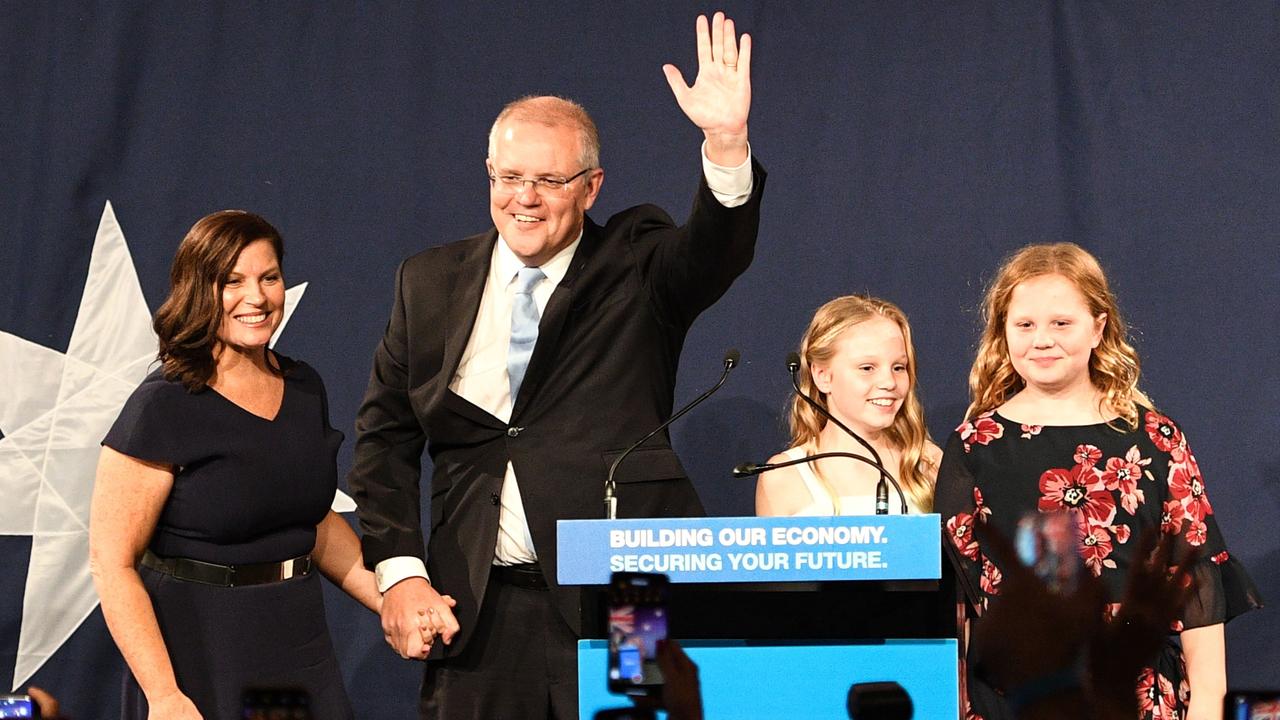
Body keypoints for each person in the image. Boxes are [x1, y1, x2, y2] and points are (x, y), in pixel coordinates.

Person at [347, 11, 763, 719]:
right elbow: (385, 442)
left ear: (592, 187)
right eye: (509, 176)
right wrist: (399, 573)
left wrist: (725, 144)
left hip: (629, 596)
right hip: (475, 607)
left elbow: (711, 253)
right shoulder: (428, 280)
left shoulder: (635, 260)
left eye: (548, 179)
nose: (525, 198)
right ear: (488, 175)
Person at [934, 242, 1261, 720]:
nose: (1041, 340)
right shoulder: (974, 446)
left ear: (1098, 327)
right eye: (1024, 325)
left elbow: (1195, 577)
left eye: (1061, 323)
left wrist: (1208, 703)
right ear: (1003, 332)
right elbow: (958, 604)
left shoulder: (1154, 437)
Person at [89, 211, 384, 720]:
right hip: (197, 655)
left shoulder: (304, 387)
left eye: (269, 277)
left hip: (297, 641)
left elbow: (308, 521)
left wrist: (392, 600)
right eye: (233, 282)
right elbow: (112, 563)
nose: (257, 297)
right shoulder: (164, 404)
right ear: (199, 290)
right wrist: (164, 695)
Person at [756, 295, 940, 516]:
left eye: (899, 367)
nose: (889, 382)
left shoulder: (926, 463)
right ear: (823, 376)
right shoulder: (784, 476)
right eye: (867, 368)